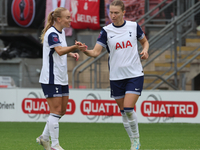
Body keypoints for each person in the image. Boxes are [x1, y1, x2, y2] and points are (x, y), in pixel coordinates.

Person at [76, 0, 149, 149]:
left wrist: (145, 50)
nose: (113, 15)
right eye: (111, 13)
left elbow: (145, 42)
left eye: (116, 13)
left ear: (123, 13)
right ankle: (132, 140)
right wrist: (84, 50)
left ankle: (136, 140)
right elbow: (95, 52)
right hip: (116, 77)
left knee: (128, 108)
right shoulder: (106, 31)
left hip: (134, 74)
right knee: (123, 112)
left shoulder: (133, 26)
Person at [36, 7, 86, 150]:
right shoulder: (52, 33)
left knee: (61, 111)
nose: (70, 20)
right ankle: (54, 145)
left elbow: (59, 50)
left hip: (61, 77)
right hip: (51, 78)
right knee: (56, 111)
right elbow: (59, 50)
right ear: (59, 19)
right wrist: (74, 48)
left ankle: (44, 138)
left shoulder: (61, 32)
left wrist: (71, 53)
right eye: (68, 17)